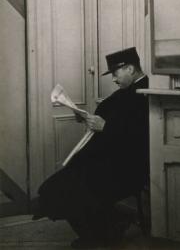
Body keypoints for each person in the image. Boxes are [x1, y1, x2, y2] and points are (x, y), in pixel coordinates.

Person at [32, 47, 149, 249]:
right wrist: (85, 116)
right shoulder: (126, 91)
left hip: (127, 167)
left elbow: (142, 136)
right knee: (55, 187)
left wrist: (106, 127)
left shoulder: (147, 92)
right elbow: (109, 110)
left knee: (66, 189)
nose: (113, 78)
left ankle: (100, 232)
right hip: (106, 161)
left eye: (115, 73)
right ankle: (108, 226)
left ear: (130, 68)